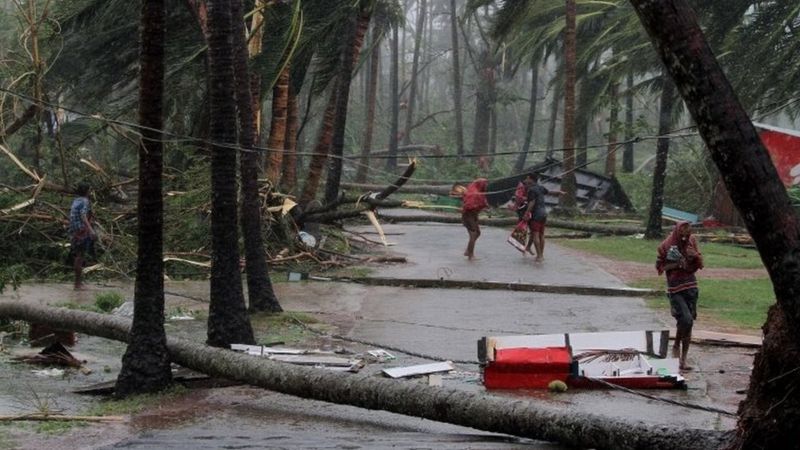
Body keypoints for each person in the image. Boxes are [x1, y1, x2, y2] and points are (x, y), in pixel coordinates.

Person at [656, 221, 704, 371]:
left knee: (687, 322)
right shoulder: (666, 245)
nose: (685, 238)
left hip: (691, 287)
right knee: (686, 320)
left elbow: (699, 263)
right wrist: (677, 264)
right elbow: (660, 266)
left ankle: (683, 359)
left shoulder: (692, 241)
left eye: (687, 235)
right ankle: (676, 346)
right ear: (677, 232)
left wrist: (695, 256)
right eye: (682, 236)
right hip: (675, 288)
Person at [68, 182, 96, 290]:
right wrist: (91, 230)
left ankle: (79, 282)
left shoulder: (76, 200)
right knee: (79, 257)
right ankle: (77, 284)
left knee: (79, 256)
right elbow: (83, 216)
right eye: (89, 190)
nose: (90, 192)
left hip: (74, 231)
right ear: (87, 191)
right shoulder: (85, 201)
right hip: (81, 232)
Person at [518, 173, 551, 261]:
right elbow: (549, 192)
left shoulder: (531, 190)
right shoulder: (540, 187)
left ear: (531, 179)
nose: (526, 180)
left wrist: (526, 213)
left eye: (527, 178)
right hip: (544, 213)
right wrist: (559, 192)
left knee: (535, 234)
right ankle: (541, 255)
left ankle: (539, 256)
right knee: (541, 235)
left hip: (536, 214)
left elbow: (532, 202)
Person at [461, 178, 489, 260]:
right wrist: (478, 207)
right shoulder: (474, 193)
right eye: (485, 184)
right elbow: (469, 206)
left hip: (473, 216)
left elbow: (483, 202)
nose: (486, 186)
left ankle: (468, 250)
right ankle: (471, 255)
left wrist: (485, 206)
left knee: (478, 233)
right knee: (473, 234)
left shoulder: (479, 192)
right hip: (468, 215)